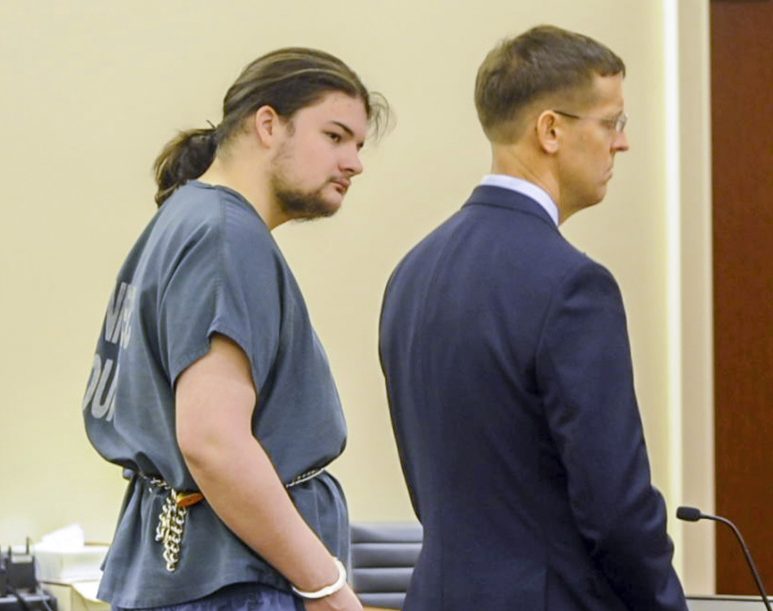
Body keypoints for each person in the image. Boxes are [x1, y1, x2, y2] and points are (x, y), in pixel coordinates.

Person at [379, 25, 688, 611]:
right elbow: (617, 510)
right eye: (611, 122)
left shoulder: (412, 273)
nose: (622, 143)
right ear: (550, 130)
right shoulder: (574, 285)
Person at [82, 47, 387, 611]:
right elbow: (214, 442)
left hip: (192, 571)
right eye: (335, 136)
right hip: (233, 582)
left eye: (359, 146)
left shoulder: (183, 219)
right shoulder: (225, 235)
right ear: (268, 125)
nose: (354, 163)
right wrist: (325, 586)